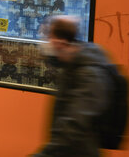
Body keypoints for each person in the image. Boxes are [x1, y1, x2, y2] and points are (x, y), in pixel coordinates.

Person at [33, 16, 110, 157]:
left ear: (59, 42)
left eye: (47, 36)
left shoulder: (89, 74)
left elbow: (75, 124)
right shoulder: (71, 66)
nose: (44, 42)